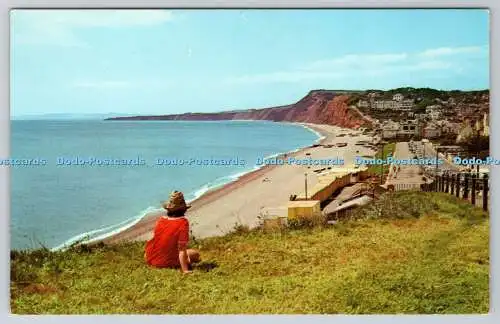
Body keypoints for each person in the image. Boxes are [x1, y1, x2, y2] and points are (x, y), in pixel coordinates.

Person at [144, 191, 200, 274]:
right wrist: (185, 270)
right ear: (184, 209)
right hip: (167, 261)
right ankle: (173, 263)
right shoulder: (183, 223)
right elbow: (182, 249)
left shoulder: (161, 220)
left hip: (151, 257)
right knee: (195, 254)